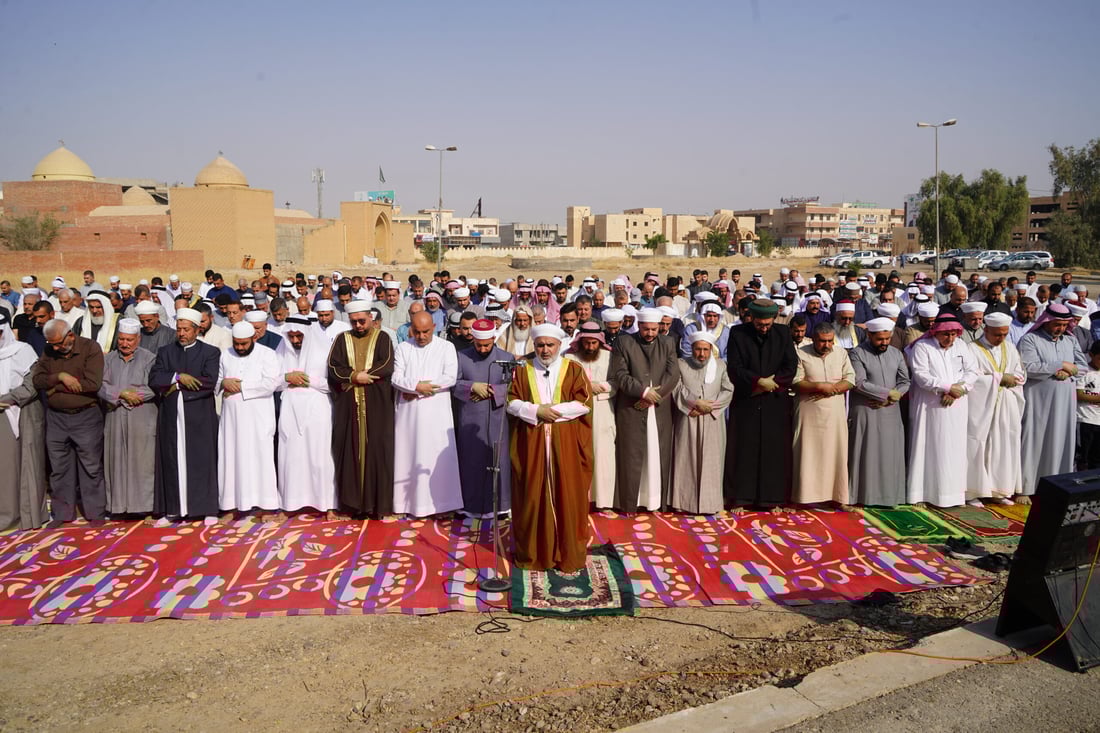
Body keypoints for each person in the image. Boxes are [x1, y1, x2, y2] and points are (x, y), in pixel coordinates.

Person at [506, 324, 593, 572]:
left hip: (564, 443)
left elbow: (584, 403)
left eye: (550, 345)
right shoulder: (522, 370)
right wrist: (535, 411)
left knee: (567, 495)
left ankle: (567, 554)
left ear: (559, 346)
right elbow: (511, 401)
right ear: (535, 346)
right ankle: (536, 554)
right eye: (541, 345)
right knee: (532, 495)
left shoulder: (573, 369)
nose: (545, 350)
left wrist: (553, 412)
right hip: (531, 444)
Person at [149, 307, 222, 525]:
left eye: (186, 330)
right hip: (172, 415)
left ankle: (207, 508)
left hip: (198, 415)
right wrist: (179, 377)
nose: (181, 334)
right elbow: (155, 378)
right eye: (179, 329)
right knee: (172, 460)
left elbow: (208, 382)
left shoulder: (210, 352)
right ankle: (174, 510)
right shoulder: (166, 351)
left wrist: (176, 386)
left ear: (197, 330)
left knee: (202, 460)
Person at [32, 319, 107, 527]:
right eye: (52, 344)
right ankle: (63, 514)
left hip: (86, 415)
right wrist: (61, 376)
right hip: (56, 418)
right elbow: (37, 380)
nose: (55, 347)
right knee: (59, 467)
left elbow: (92, 384)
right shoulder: (49, 351)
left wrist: (55, 388)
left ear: (70, 336)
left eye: (58, 343)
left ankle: (95, 512)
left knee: (90, 465)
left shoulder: (90, 348)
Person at [725, 299, 798, 511]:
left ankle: (772, 499)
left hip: (774, 400)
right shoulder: (738, 333)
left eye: (767, 324)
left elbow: (790, 365)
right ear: (752, 318)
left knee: (774, 450)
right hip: (747, 398)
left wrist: (772, 385)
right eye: (760, 324)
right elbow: (735, 367)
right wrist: (757, 381)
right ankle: (741, 498)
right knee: (744, 448)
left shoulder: (783, 333)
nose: (764, 328)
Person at [327, 302, 395, 517]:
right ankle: (352, 505)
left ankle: (377, 506)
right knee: (348, 451)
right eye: (354, 321)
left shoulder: (382, 338)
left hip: (376, 405)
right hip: (349, 407)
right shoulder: (341, 339)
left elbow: (387, 365)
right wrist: (354, 376)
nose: (358, 325)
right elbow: (333, 368)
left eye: (362, 321)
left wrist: (366, 375)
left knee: (377, 451)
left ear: (371, 318)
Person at [391, 311, 462, 517]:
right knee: (408, 454)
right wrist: (415, 386)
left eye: (426, 332)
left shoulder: (446, 347)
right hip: (409, 415)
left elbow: (450, 378)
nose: (421, 336)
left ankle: (442, 505)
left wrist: (419, 390)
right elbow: (396, 377)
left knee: (436, 456)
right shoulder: (404, 347)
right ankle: (407, 505)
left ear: (434, 328)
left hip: (436, 413)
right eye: (417, 332)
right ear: (411, 329)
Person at [609, 308, 680, 511]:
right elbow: (620, 374)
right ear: (638, 326)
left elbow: (673, 374)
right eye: (646, 329)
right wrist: (642, 392)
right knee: (632, 456)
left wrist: (652, 397)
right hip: (632, 407)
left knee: (657, 454)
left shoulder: (667, 343)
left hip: (658, 408)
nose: (650, 333)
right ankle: (632, 501)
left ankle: (655, 501)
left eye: (654, 329)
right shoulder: (624, 342)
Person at [906, 314, 979, 507]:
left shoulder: (962, 346)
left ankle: (953, 495)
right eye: (946, 334)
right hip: (930, 406)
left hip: (957, 405)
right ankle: (922, 494)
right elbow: (921, 376)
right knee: (928, 447)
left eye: (954, 334)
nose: (950, 338)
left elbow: (972, 371)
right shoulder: (922, 347)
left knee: (954, 450)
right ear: (936, 332)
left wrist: (958, 390)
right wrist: (948, 387)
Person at [1019, 302, 1088, 503]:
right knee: (1034, 440)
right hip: (1038, 400)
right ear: (1047, 321)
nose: (1060, 329)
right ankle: (1026, 486)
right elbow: (1028, 366)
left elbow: (1082, 367)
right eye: (1057, 324)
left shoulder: (1069, 340)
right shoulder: (1030, 339)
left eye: (1064, 325)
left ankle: (1057, 485)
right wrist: (1059, 365)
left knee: (1061, 440)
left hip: (1064, 402)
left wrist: (1067, 370)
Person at [274, 316, 338, 515]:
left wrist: (308, 380)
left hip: (317, 410)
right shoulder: (282, 351)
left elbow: (334, 385)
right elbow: (272, 381)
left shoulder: (324, 351)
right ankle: (290, 505)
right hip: (290, 411)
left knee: (319, 458)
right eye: (291, 336)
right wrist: (287, 378)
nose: (294, 341)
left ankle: (327, 505)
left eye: (298, 336)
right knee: (290, 458)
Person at [218, 321, 281, 519]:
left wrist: (241, 386)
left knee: (260, 459)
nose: (239, 348)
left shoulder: (267, 354)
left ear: (254, 338)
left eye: (244, 344)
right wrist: (223, 382)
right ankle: (231, 505)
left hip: (258, 419)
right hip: (231, 421)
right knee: (231, 458)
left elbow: (271, 384)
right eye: (236, 343)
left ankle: (267, 506)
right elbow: (219, 380)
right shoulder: (226, 354)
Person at [452, 319, 513, 517]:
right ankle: (469, 506)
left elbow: (514, 388)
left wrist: (493, 391)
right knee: (471, 461)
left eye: (487, 344)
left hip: (497, 419)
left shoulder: (506, 357)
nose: (483, 348)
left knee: (498, 460)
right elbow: (453, 383)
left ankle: (500, 506)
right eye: (479, 345)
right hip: (470, 418)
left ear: (494, 339)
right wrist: (471, 387)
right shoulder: (461, 357)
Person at [669, 331, 735, 514]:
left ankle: (710, 504)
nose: (702, 354)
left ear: (711, 349)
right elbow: (677, 388)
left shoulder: (721, 366)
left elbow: (728, 389)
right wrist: (695, 403)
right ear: (692, 349)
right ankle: (684, 503)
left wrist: (710, 407)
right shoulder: (681, 364)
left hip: (712, 420)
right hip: (689, 417)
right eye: (698, 349)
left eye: (705, 350)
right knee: (686, 460)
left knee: (712, 462)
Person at [98, 318, 158, 518]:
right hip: (115, 415)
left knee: (142, 462)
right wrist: (121, 395)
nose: (124, 344)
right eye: (121, 339)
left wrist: (133, 395)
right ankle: (118, 507)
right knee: (116, 461)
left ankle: (145, 507)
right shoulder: (109, 359)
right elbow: (101, 385)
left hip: (141, 416)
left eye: (129, 340)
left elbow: (154, 386)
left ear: (138, 339)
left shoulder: (150, 358)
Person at [848, 318, 910, 506]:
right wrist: (885, 393)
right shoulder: (857, 353)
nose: (884, 343)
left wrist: (895, 395)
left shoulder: (896, 354)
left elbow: (905, 381)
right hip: (867, 409)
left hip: (890, 411)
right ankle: (862, 496)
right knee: (867, 453)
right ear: (869, 335)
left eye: (887, 339)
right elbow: (858, 382)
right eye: (880, 339)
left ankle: (891, 497)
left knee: (890, 454)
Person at [966, 312, 1026, 506]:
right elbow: (971, 377)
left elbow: (1019, 371)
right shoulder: (972, 349)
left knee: (1004, 445)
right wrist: (999, 378)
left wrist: (1013, 378)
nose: (1001, 339)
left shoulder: (1010, 347)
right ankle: (973, 492)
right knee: (979, 445)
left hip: (1006, 405)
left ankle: (998, 491)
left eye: (1005, 334)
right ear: (986, 330)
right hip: (981, 406)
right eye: (997, 335)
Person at [792, 323, 855, 507]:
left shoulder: (841, 353)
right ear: (814, 339)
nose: (826, 345)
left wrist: (832, 390)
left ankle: (837, 497)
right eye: (822, 341)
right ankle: (803, 498)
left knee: (836, 453)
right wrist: (819, 386)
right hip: (808, 411)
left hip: (834, 411)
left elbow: (850, 378)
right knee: (807, 453)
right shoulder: (801, 353)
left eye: (830, 341)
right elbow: (795, 381)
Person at [0, 310, 46, 531]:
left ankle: (16, 516)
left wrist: (6, 399)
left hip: (18, 414)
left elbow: (31, 385)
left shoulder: (23, 351)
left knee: (13, 468)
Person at [565, 321, 617, 509]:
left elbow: (616, 381)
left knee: (603, 455)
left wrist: (599, 387)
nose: (590, 347)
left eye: (594, 343)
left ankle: (602, 500)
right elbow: (564, 383)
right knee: (578, 454)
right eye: (586, 343)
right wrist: (589, 386)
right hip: (576, 411)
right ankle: (579, 498)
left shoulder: (610, 356)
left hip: (603, 409)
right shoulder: (569, 357)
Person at [1076, 342, 1100, 470]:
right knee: (1082, 458)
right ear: (1091, 355)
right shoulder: (1084, 371)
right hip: (1085, 420)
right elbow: (1078, 394)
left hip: (1098, 422)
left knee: (1096, 459)